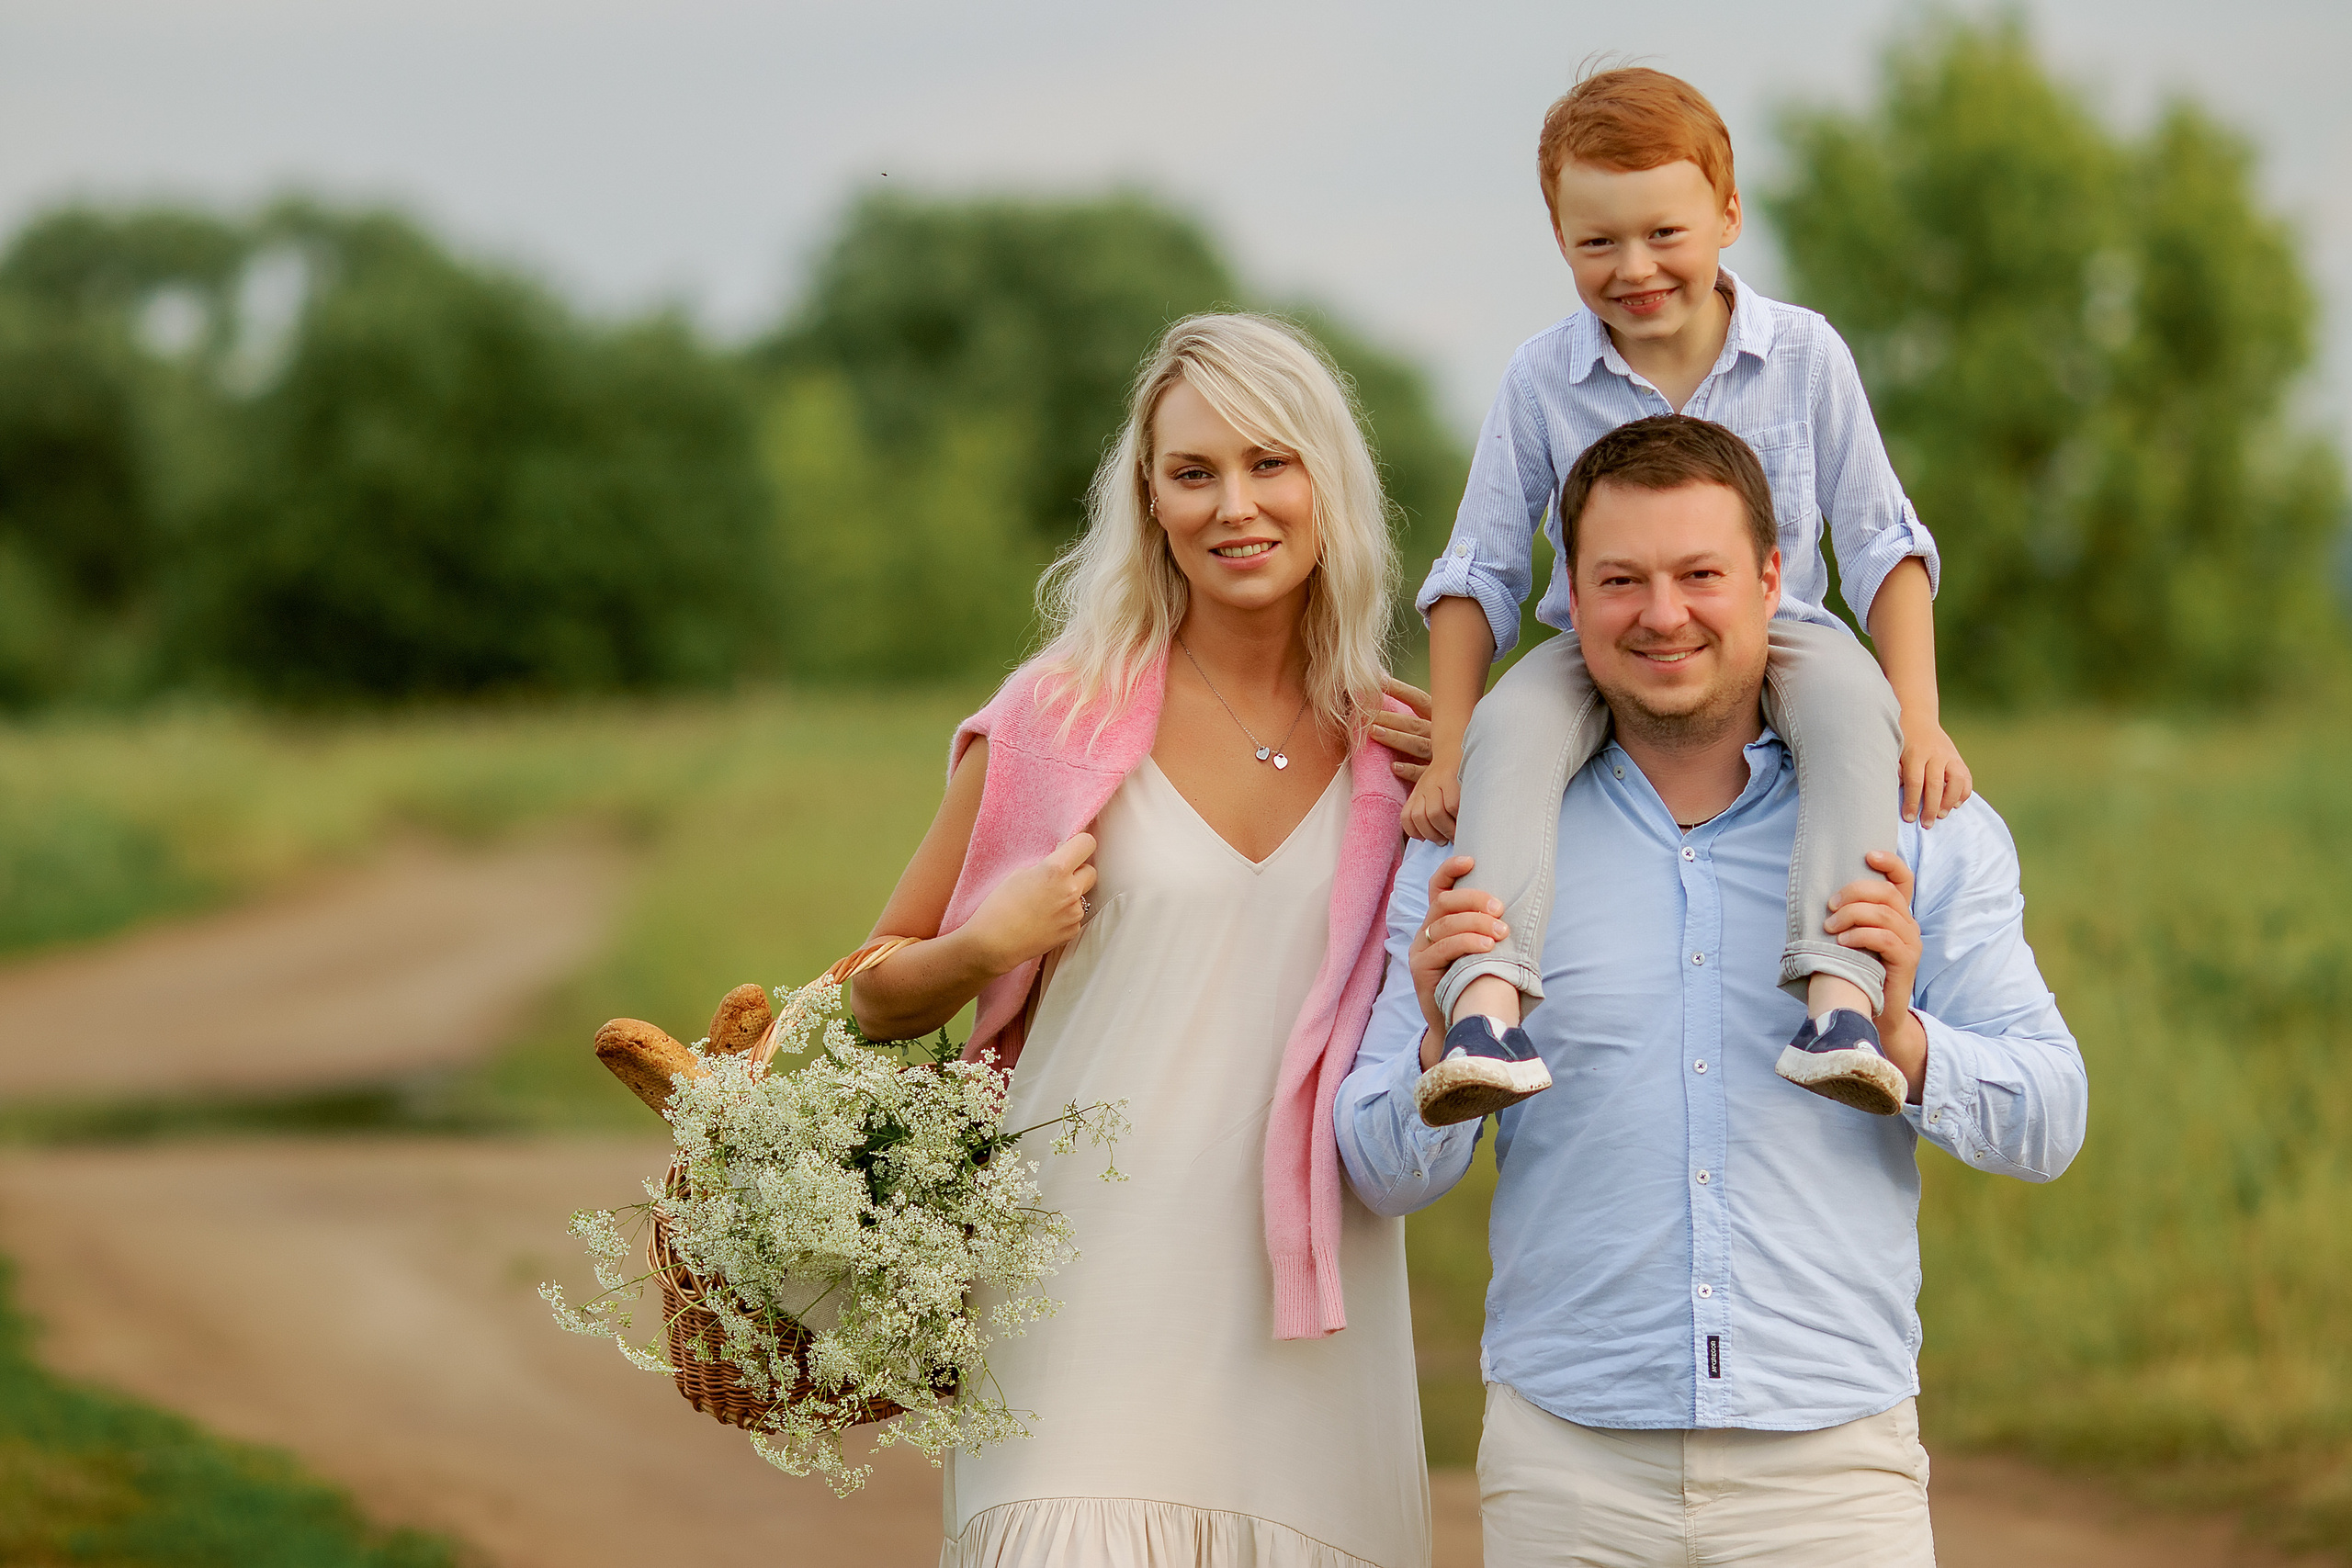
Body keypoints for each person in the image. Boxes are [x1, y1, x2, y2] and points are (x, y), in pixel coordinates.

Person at [1338, 415, 2087, 1565]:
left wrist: (1906, 1040)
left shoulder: (1920, 834)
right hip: (1566, 1472)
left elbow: (2051, 1117)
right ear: (1570, 597)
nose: (1663, 613)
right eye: (1620, 580)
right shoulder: (1464, 853)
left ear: (1772, 580)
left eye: (1700, 575)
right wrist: (1443, 1039)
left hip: (1836, 1471)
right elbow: (1379, 1171)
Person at [851, 312, 1439, 1567]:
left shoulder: (1404, 754)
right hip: (1077, 1293)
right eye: (1194, 471)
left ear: (1327, 481)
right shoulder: (1056, 719)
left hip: (1311, 1316)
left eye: (1270, 462)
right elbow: (868, 996)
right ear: (1148, 499)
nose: (1237, 504)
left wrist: (1476, 788)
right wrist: (982, 945)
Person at [1403, 67, 1975, 1129]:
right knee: (1511, 733)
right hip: (1600, 650)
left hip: (1784, 634)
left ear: (1726, 214)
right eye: (1597, 244)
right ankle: (1485, 1008)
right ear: (1560, 237)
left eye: (1664, 233)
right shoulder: (1541, 379)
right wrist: (1447, 746)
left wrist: (1924, 719)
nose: (1635, 269)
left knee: (1857, 718)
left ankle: (1841, 1000)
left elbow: (1879, 543)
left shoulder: (1802, 355)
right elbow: (1478, 571)